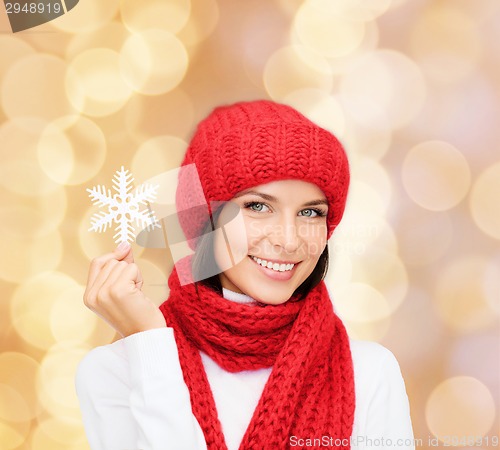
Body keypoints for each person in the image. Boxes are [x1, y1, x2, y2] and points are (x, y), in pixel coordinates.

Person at [76, 100, 414, 450]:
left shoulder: (370, 373)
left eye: (311, 212)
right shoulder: (115, 372)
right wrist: (148, 342)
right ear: (205, 217)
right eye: (258, 206)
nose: (288, 239)